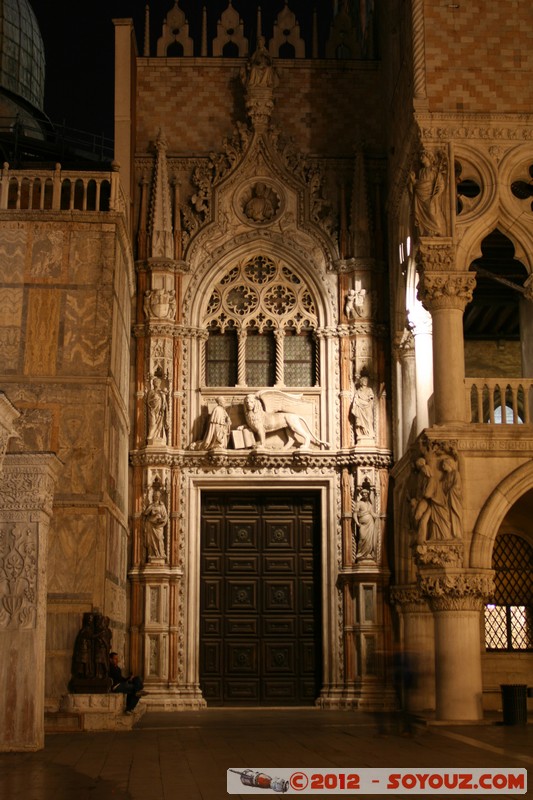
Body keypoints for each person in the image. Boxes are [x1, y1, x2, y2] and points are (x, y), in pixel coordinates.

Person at [409, 149, 446, 236]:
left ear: (428, 157)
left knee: (431, 211)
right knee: (420, 215)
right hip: (420, 196)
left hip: (430, 196)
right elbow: (420, 183)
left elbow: (441, 184)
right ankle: (426, 231)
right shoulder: (421, 171)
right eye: (420, 156)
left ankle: (437, 230)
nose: (421, 158)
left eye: (423, 156)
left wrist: (436, 195)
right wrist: (413, 180)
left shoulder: (433, 170)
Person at [143, 486, 168, 560]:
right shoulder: (151, 505)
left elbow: (165, 516)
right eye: (155, 496)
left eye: (157, 496)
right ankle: (152, 554)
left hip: (159, 526)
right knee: (151, 541)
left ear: (159, 497)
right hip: (151, 524)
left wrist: (161, 520)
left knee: (160, 539)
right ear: (153, 497)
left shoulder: (162, 505)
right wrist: (151, 511)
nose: (156, 497)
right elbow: (145, 513)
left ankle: (160, 554)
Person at [353, 488, 378, 561]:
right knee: (362, 538)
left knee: (369, 540)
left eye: (366, 494)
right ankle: (360, 554)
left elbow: (372, 513)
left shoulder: (369, 504)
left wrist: (378, 516)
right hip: (363, 524)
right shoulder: (359, 503)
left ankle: (368, 554)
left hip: (370, 524)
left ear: (368, 494)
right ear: (361, 495)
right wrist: (357, 523)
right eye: (363, 494)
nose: (365, 495)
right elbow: (355, 514)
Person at [351, 374, 375, 440]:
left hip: (367, 407)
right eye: (364, 381)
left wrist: (369, 399)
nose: (365, 382)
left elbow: (371, 397)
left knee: (369, 420)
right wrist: (357, 401)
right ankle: (362, 433)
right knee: (360, 421)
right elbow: (355, 398)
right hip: (360, 408)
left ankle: (369, 433)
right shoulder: (358, 391)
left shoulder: (369, 389)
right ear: (361, 382)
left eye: (366, 381)